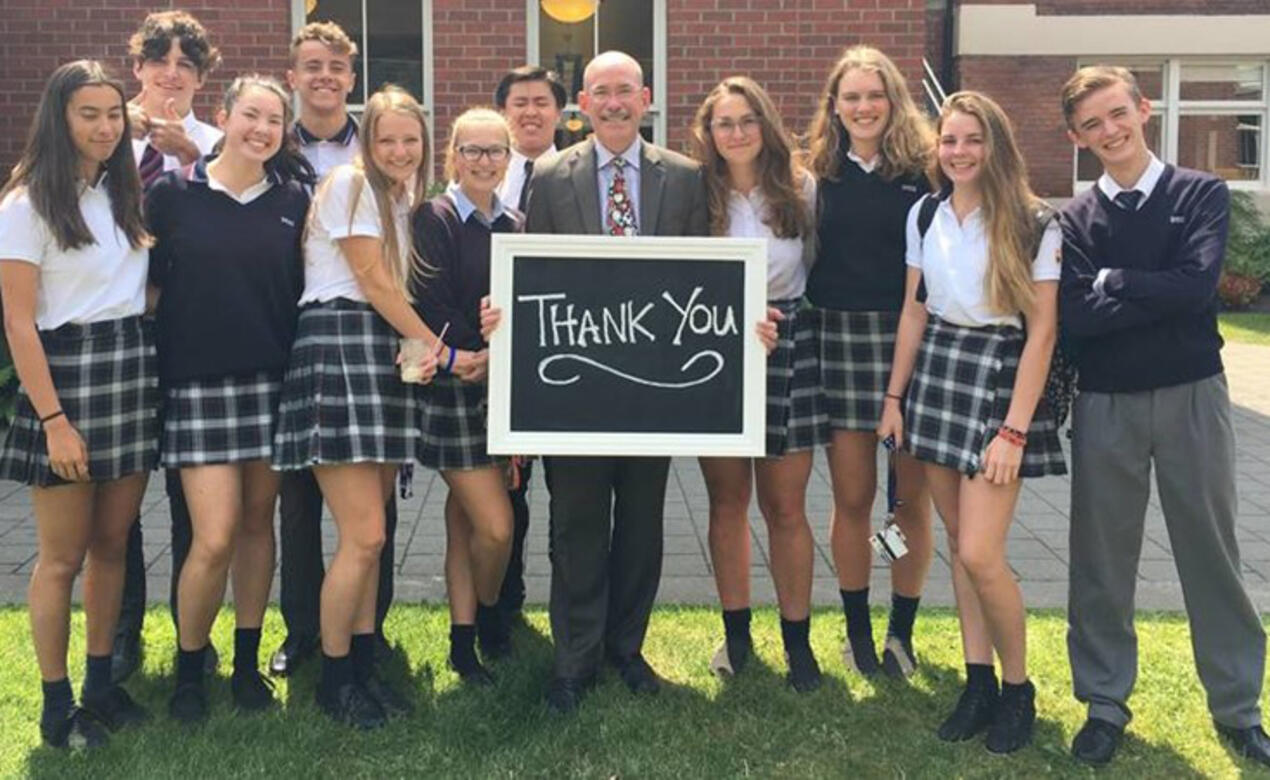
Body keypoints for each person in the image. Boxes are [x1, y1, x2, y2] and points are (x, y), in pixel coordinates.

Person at [522, 50, 776, 715]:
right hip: (576, 390)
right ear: (582, 100)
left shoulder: (687, 180)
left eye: (625, 91)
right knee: (577, 524)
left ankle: (625, 649)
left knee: (641, 522)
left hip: (653, 390)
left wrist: (747, 324)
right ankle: (573, 661)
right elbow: (532, 282)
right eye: (601, 92)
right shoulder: (549, 177)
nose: (613, 103)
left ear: (647, 97)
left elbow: (703, 281)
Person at [1059, 65, 1270, 768]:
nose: (1110, 131)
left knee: (1211, 552)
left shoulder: (1200, 193)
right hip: (1105, 403)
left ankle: (1238, 708)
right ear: (1076, 137)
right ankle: (1104, 702)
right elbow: (1077, 317)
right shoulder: (1076, 219)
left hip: (1192, 396)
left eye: (1118, 113)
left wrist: (1116, 281)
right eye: (1092, 124)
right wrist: (1147, 294)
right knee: (1100, 559)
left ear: (1143, 109)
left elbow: (1197, 287)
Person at [877, 91, 1066, 754]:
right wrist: (894, 399)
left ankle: (1019, 690)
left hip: (999, 376)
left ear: (996, 146)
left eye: (972, 140)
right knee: (960, 548)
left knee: (982, 553)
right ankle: (977, 680)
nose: (958, 152)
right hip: (936, 372)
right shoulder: (924, 212)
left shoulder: (1034, 221)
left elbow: (1042, 332)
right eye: (949, 140)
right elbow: (914, 313)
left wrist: (1014, 430)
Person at [0, 60, 157, 747]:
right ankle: (55, 705)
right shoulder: (27, 204)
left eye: (113, 115)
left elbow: (133, 286)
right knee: (61, 558)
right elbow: (17, 322)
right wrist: (54, 422)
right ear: (59, 119)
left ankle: (101, 685)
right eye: (88, 114)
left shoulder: (122, 195)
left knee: (113, 545)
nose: (103, 127)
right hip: (64, 380)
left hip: (128, 372)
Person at [147, 75, 313, 723]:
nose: (262, 130)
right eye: (251, 115)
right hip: (197, 386)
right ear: (223, 117)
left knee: (255, 528)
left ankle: (246, 666)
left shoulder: (296, 199)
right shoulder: (171, 195)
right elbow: (152, 292)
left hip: (271, 383)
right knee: (212, 537)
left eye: (274, 120)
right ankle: (192, 669)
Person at [273, 85, 438, 730]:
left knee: (374, 535)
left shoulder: (400, 198)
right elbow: (370, 281)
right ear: (366, 142)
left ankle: (362, 667)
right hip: (339, 341)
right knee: (364, 534)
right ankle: (334, 679)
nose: (399, 150)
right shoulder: (348, 183)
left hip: (376, 351)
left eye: (410, 139)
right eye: (387, 139)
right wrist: (434, 346)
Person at [270, 19, 403, 679]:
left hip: (368, 340)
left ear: (352, 79)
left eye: (336, 68)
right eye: (311, 66)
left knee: (374, 512)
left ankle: (365, 636)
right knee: (299, 505)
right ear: (293, 76)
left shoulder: (381, 153)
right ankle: (306, 635)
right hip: (298, 334)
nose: (324, 77)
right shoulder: (270, 144)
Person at [804, 45, 935, 680]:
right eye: (851, 96)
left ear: (894, 101)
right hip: (837, 340)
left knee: (908, 502)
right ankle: (857, 633)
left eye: (874, 95)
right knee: (854, 496)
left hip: (913, 343)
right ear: (836, 105)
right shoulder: (814, 176)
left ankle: (900, 633)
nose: (863, 107)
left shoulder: (928, 171)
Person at [688, 77, 823, 691]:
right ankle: (737, 636)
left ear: (766, 125)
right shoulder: (696, 194)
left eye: (747, 120)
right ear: (709, 134)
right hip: (715, 346)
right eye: (724, 123)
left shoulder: (802, 189)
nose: (736, 132)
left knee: (786, 506)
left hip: (787, 340)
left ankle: (799, 643)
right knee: (727, 501)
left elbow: (815, 271)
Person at [114, 9, 224, 684]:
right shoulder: (97, 132)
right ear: (139, 68)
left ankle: (196, 635)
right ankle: (124, 633)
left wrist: (197, 163)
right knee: (120, 501)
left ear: (201, 77)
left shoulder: (215, 142)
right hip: (122, 333)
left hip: (191, 335)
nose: (173, 74)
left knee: (195, 497)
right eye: (161, 61)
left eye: (187, 64)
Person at [413, 108, 519, 684]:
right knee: (496, 525)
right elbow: (430, 301)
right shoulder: (436, 216)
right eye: (472, 151)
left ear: (509, 159)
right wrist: (470, 357)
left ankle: (462, 641)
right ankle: (486, 614)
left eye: (495, 151)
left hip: (501, 386)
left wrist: (498, 358)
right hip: (452, 388)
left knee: (466, 522)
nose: (484, 162)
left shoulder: (516, 223)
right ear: (453, 156)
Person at [491, 64, 567, 619]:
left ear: (560, 113)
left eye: (542, 102)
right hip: (499, 357)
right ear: (504, 113)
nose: (531, 112)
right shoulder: (481, 174)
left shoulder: (580, 174)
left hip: (569, 352)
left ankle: (569, 602)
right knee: (505, 491)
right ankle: (503, 601)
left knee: (568, 492)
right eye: (520, 103)